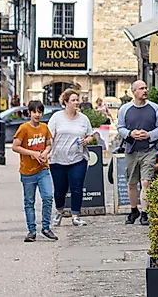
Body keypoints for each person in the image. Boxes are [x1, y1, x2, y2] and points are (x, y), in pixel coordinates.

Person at [118, 80, 158, 226]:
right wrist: (130, 133)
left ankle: (145, 213)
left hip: (149, 150)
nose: (145, 91)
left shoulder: (154, 108)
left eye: (146, 88)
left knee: (146, 182)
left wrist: (149, 135)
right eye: (141, 88)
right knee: (132, 183)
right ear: (134, 92)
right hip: (131, 150)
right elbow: (120, 127)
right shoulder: (125, 109)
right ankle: (134, 210)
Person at [12, 100, 58, 243]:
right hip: (27, 171)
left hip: (43, 168)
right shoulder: (24, 128)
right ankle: (31, 230)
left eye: (39, 112)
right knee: (29, 201)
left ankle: (46, 227)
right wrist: (32, 153)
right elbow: (15, 146)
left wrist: (45, 152)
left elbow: (49, 144)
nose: (37, 115)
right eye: (34, 112)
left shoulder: (44, 127)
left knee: (48, 196)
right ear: (29, 113)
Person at [48, 88, 94, 226]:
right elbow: (49, 136)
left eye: (77, 100)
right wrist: (47, 151)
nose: (76, 102)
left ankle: (76, 215)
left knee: (77, 187)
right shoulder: (56, 117)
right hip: (58, 159)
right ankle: (59, 211)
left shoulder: (83, 119)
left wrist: (87, 140)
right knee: (60, 189)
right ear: (66, 102)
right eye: (73, 100)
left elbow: (90, 135)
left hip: (78, 158)